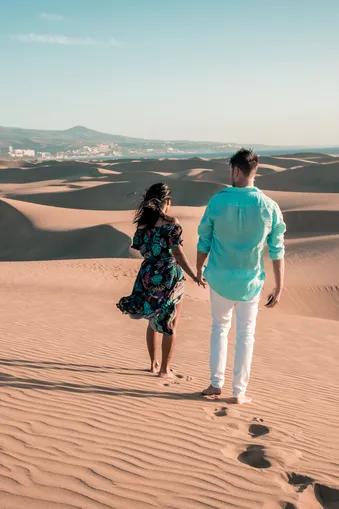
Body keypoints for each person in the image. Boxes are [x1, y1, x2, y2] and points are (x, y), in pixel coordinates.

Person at [196, 149, 286, 403]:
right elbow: (277, 250)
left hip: (220, 280)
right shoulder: (269, 206)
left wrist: (198, 268)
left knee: (219, 328)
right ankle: (239, 392)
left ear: (236, 170)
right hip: (250, 282)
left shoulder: (217, 201)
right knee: (246, 334)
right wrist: (279, 286)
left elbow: (204, 240)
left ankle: (216, 384)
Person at [117, 183, 201, 378]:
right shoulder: (171, 222)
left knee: (152, 319)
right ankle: (165, 370)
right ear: (167, 202)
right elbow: (178, 253)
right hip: (169, 274)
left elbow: (140, 247)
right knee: (170, 322)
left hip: (147, 273)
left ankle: (153, 365)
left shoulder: (143, 224)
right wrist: (194, 274)